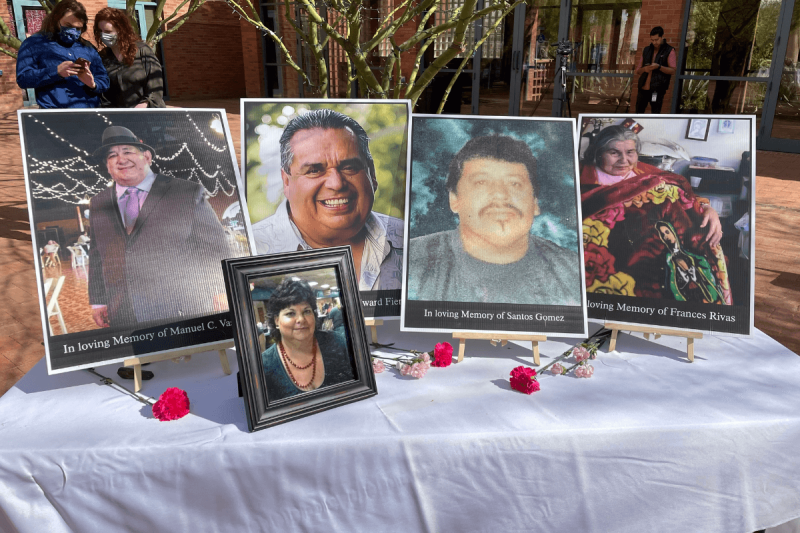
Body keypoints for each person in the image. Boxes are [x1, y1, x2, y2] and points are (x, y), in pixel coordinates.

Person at [407, 135, 582, 305]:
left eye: (515, 184)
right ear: (454, 200)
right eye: (481, 183)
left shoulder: (575, 273)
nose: (500, 195)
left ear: (535, 202)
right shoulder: (408, 264)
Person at [87, 125, 233, 328]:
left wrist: (221, 289)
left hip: (180, 305)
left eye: (128, 151)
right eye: (112, 155)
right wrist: (99, 301)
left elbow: (214, 245)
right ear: (108, 165)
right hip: (123, 310)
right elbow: (97, 255)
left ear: (147, 156)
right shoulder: (98, 202)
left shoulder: (185, 192)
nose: (121, 159)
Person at [252, 110, 403, 291]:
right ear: (286, 182)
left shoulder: (413, 241)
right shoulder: (249, 250)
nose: (336, 183)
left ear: (372, 174)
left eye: (349, 167)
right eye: (314, 170)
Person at [580, 125, 732, 303]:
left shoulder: (645, 172)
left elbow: (685, 196)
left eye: (630, 152)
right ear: (598, 153)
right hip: (621, 253)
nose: (624, 160)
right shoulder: (581, 177)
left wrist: (707, 208)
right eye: (614, 153)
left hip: (667, 250)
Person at [261, 279, 355, 400]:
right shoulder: (264, 366)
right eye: (290, 313)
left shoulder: (338, 343)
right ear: (276, 321)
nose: (301, 319)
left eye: (306, 311)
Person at [16, 0, 110, 108]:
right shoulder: (33, 44)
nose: (73, 31)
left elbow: (104, 80)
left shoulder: (87, 48)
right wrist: (56, 72)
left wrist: (93, 84)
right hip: (55, 113)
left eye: (78, 28)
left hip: (89, 112)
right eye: (68, 25)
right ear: (56, 19)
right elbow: (23, 79)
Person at [93, 8, 166, 108]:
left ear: (121, 30)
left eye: (108, 31)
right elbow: (104, 94)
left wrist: (144, 105)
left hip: (148, 113)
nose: (103, 35)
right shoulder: (103, 57)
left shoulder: (142, 51)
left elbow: (155, 87)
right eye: (100, 31)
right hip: (119, 116)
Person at [655, 221, 724, 303]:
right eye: (662, 235)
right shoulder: (667, 261)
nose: (666, 236)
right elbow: (670, 287)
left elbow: (708, 277)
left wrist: (693, 272)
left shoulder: (694, 255)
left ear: (673, 232)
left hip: (706, 298)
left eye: (667, 232)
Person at [634, 27, 676, 114]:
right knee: (638, 113)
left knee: (655, 113)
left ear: (662, 37)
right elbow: (638, 70)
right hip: (643, 88)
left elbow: (673, 70)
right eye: (652, 40)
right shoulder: (646, 50)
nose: (654, 42)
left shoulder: (669, 50)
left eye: (656, 40)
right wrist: (644, 69)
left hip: (657, 89)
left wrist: (659, 67)